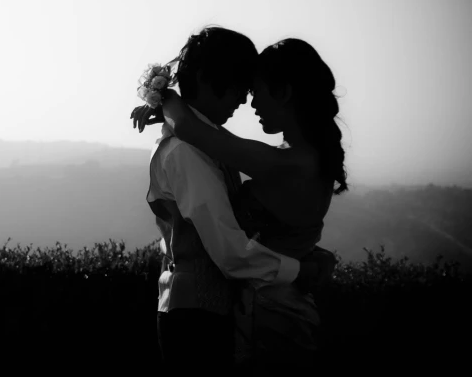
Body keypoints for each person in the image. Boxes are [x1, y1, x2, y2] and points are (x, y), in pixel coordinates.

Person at [133, 36, 343, 374]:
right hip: (219, 315)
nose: (248, 100)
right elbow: (231, 248)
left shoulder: (282, 159)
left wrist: (167, 99)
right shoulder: (189, 151)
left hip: (266, 310)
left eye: (254, 89)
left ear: (286, 93)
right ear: (208, 80)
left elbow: (193, 128)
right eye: (243, 88)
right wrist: (302, 264)